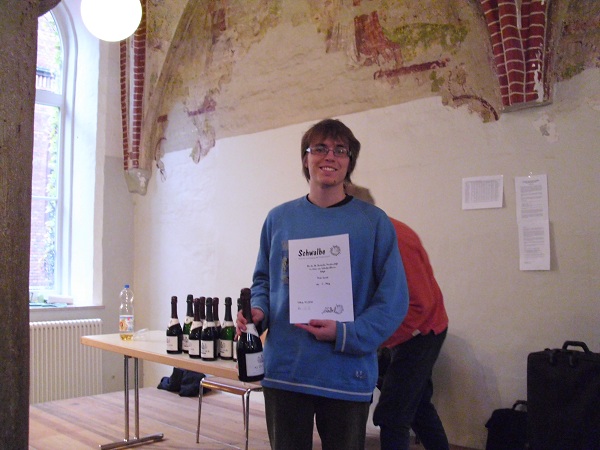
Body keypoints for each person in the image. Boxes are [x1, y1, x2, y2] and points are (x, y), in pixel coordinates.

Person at [237, 118, 409, 450]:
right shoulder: (279, 219)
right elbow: (264, 281)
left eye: (340, 150)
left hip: (345, 372)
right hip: (286, 371)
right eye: (319, 148)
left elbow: (393, 301)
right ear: (306, 158)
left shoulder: (373, 223)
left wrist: (345, 333)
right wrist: (259, 311)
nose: (329, 156)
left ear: (349, 162)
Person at [346, 183, 449, 450]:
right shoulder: (365, 236)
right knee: (417, 405)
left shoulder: (396, 239)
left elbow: (419, 306)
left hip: (422, 332)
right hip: (402, 330)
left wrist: (373, 338)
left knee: (393, 414)